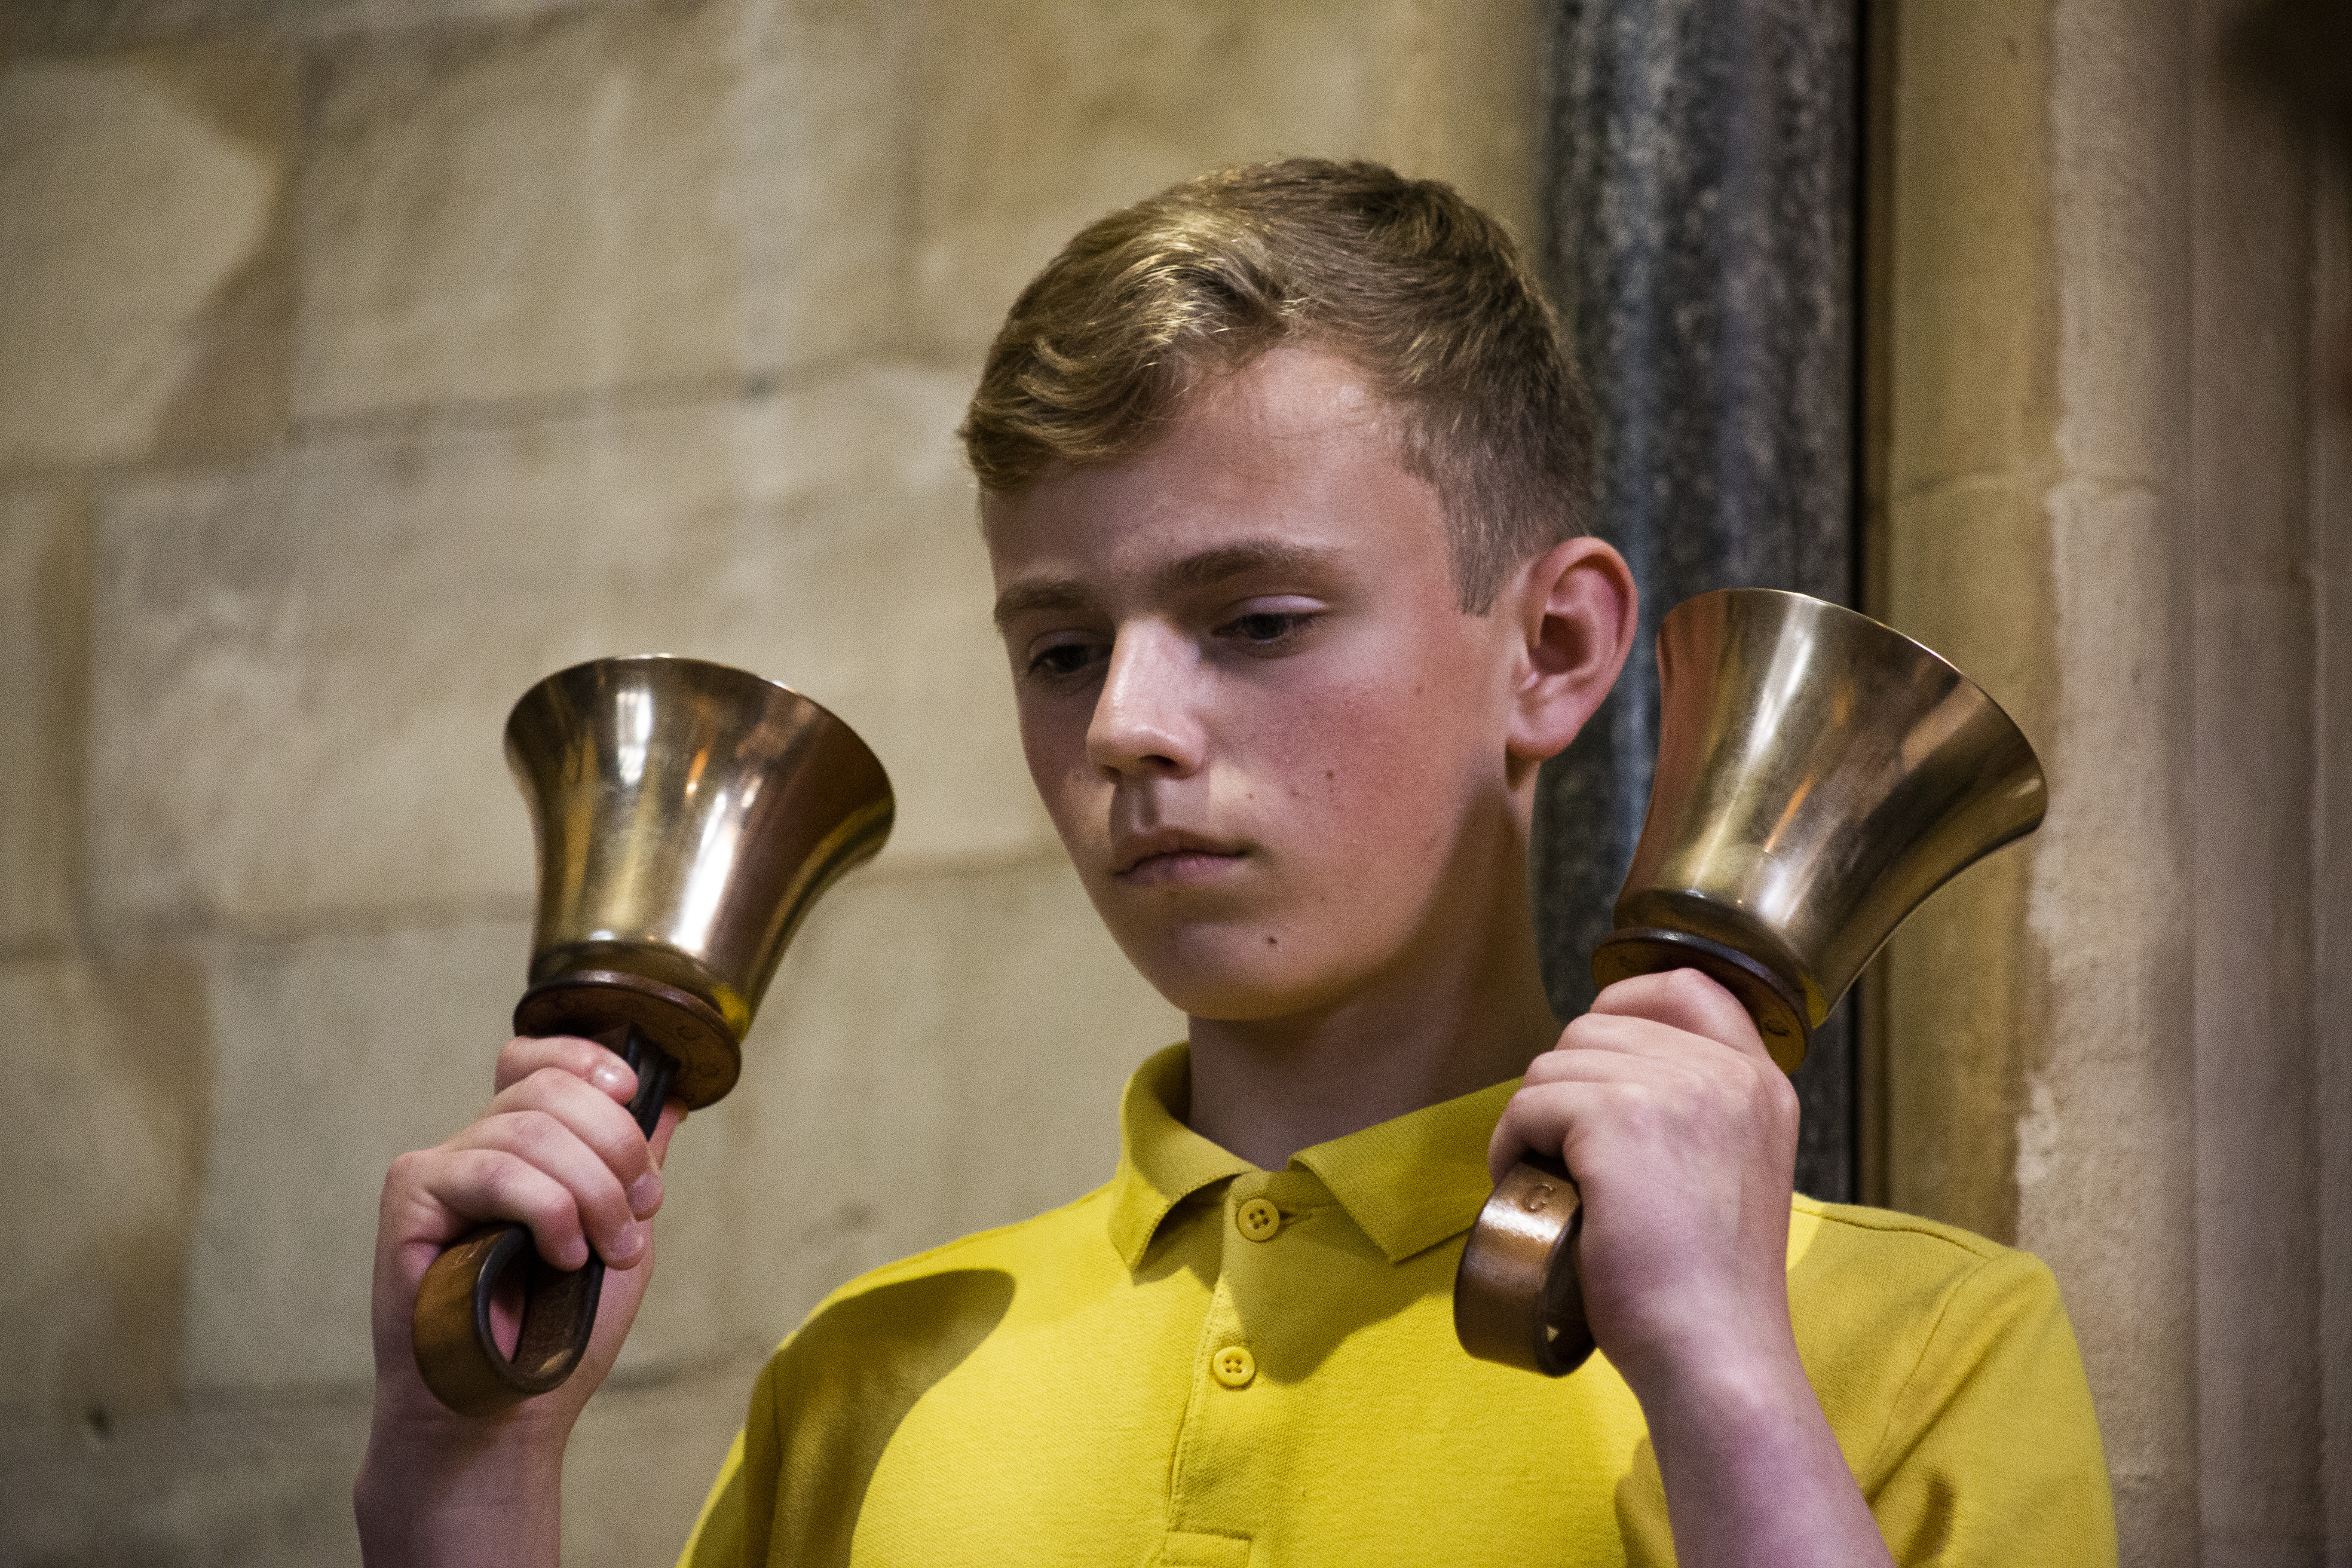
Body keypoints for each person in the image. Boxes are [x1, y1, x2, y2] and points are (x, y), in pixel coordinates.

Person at [355, 160, 2115, 1567]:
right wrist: (465, 1482)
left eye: (1256, 621)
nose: (1125, 723)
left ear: (1558, 652)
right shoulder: (871, 1377)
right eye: (1058, 649)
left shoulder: (1910, 1338)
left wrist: (1730, 1383)